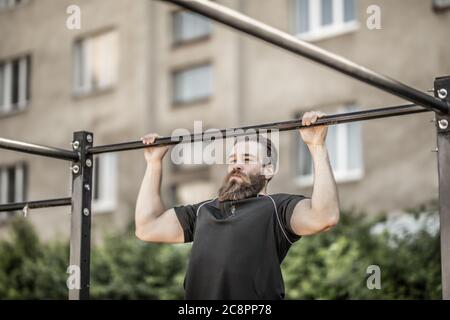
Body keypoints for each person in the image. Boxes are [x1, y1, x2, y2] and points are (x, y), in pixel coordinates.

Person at [135, 111, 340, 299]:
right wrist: (154, 164)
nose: (237, 165)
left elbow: (324, 217)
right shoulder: (203, 210)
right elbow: (147, 227)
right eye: (232, 160)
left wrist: (316, 146)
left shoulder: (277, 208)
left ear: (268, 170)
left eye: (247, 159)